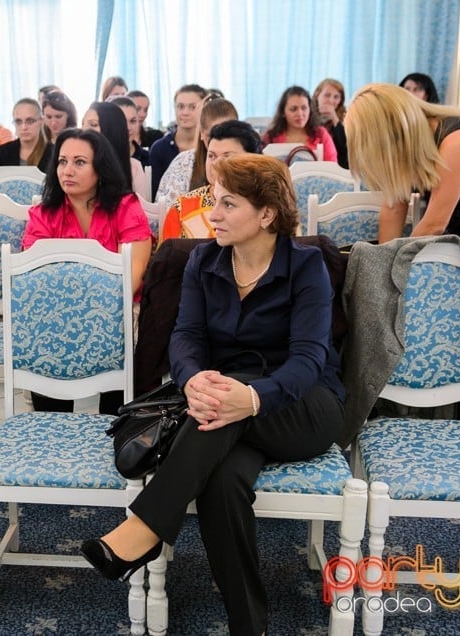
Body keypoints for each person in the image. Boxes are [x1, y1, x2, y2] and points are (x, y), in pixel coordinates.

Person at [82, 154, 344, 636]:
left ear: (266, 214)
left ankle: (144, 530)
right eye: (213, 201)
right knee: (223, 481)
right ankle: (250, 624)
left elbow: (309, 360)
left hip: (302, 404)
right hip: (224, 398)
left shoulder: (307, 265)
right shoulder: (204, 259)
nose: (213, 214)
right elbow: (185, 338)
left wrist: (255, 397)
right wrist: (190, 379)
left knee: (216, 415)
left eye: (228, 203)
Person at [22, 127, 152, 414]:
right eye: (62, 161)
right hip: (56, 315)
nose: (67, 170)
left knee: (122, 332)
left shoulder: (126, 207)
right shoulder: (43, 214)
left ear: (100, 169)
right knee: (45, 330)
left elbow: (131, 277)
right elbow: (35, 282)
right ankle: (50, 424)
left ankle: (115, 425)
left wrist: (89, 311)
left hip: (118, 312)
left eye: (79, 162)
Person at [345, 82, 460, 242]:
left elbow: (434, 224)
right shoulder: (409, 145)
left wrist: (397, 262)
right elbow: (393, 209)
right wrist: (384, 257)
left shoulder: (458, 140)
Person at [161, 120, 262, 242]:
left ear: (253, 160)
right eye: (211, 156)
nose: (216, 164)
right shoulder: (181, 208)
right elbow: (166, 258)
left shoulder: (263, 206)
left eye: (227, 157)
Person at [156, 96, 238, 204]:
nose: (219, 142)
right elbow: (169, 210)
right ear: (202, 134)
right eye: (212, 136)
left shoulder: (248, 163)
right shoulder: (183, 164)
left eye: (228, 135)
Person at [149, 84, 208, 194]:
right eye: (180, 106)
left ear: (204, 108)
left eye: (192, 107)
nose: (185, 112)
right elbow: (154, 194)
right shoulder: (160, 148)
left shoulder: (209, 146)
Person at [82, 101, 145, 198]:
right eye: (83, 124)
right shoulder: (75, 163)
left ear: (111, 129)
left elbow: (141, 210)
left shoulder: (134, 167)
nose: (84, 130)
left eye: (93, 125)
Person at [261, 86, 338, 163]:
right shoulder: (270, 137)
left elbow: (332, 166)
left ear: (310, 109)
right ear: (283, 112)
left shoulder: (321, 134)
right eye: (293, 109)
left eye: (304, 108)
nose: (300, 114)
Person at [0, 98, 52, 173]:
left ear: (41, 121)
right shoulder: (2, 153)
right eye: (18, 121)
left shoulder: (54, 153)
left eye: (30, 121)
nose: (24, 127)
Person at [313, 79, 349, 169]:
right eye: (327, 95)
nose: (331, 100)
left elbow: (345, 149)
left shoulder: (347, 117)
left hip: (338, 167)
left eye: (336, 97)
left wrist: (334, 118)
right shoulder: (306, 113)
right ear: (317, 94)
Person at [110, 96, 149, 167]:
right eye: (122, 121)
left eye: (133, 121)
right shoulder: (98, 157)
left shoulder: (149, 159)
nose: (128, 127)